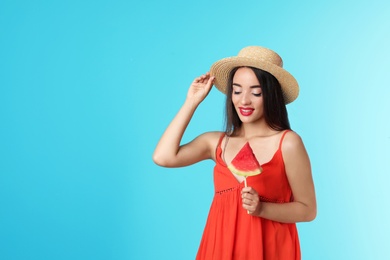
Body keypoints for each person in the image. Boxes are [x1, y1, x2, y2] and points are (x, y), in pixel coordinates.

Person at [153, 46, 316, 260]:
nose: (244, 100)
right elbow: (163, 157)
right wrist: (191, 103)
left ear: (271, 95)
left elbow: (308, 210)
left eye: (255, 92)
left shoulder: (288, 143)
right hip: (219, 249)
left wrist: (262, 209)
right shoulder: (217, 143)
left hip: (269, 250)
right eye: (237, 91)